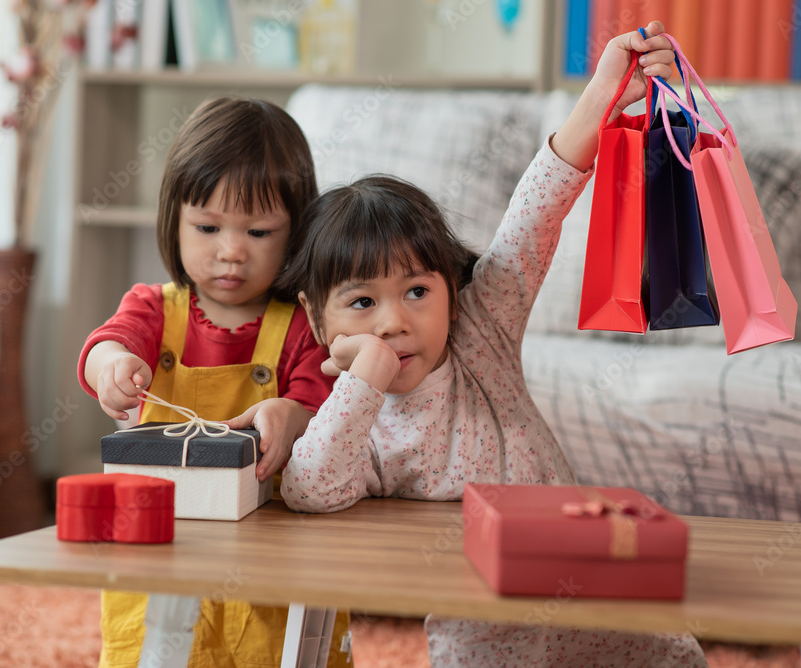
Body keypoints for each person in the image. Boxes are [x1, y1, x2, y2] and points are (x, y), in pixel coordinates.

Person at [278, 22, 708, 666]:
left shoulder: (481, 331)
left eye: (417, 292)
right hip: (488, 640)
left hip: (613, 616)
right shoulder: (358, 423)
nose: (394, 323)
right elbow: (309, 489)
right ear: (317, 320)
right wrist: (361, 378)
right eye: (364, 303)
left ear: (450, 288)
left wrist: (605, 91)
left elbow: (540, 208)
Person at [77, 97, 350, 668]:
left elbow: (323, 403)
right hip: (163, 542)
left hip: (263, 551)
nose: (230, 251)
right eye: (207, 227)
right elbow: (110, 341)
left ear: (296, 233)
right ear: (173, 221)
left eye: (258, 231)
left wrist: (291, 416)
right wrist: (110, 368)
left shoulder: (303, 324)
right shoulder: (154, 308)